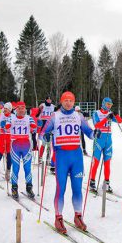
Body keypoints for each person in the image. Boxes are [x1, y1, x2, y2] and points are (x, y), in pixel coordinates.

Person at [41, 91, 94, 233]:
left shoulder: (78, 116)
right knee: (61, 188)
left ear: (74, 102)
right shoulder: (55, 116)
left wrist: (96, 133)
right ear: (62, 101)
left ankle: (78, 216)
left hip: (76, 156)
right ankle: (58, 217)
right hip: (62, 156)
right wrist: (45, 136)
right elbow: (42, 134)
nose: (68, 103)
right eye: (66, 100)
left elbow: (89, 132)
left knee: (77, 188)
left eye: (71, 100)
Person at [4, 102, 37, 199]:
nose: (21, 110)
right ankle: (14, 188)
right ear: (16, 109)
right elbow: (7, 126)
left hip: (26, 145)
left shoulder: (28, 118)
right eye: (19, 108)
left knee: (27, 168)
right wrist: (7, 125)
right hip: (15, 146)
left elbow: (34, 126)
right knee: (15, 168)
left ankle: (29, 187)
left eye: (23, 108)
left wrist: (34, 126)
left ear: (25, 109)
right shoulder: (11, 117)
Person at [89, 97, 122, 193]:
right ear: (103, 103)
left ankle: (106, 183)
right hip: (99, 139)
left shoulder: (110, 114)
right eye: (108, 104)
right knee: (96, 162)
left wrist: (115, 114)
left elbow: (120, 121)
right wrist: (106, 118)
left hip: (108, 140)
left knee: (107, 163)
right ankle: (92, 182)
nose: (109, 106)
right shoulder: (96, 113)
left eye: (111, 105)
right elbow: (97, 125)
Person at [0, 102, 13, 181]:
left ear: (10, 109)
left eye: (7, 109)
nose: (5, 110)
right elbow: (0, 122)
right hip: (2, 137)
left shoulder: (12, 116)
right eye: (4, 109)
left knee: (9, 156)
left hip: (9, 138)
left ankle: (8, 172)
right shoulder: (2, 115)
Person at [38, 96, 55, 162]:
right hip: (44, 128)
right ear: (45, 100)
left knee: (49, 144)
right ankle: (40, 157)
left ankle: (48, 158)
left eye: (50, 99)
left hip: (50, 128)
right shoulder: (42, 105)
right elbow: (38, 115)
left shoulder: (53, 106)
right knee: (43, 143)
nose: (49, 101)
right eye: (48, 99)